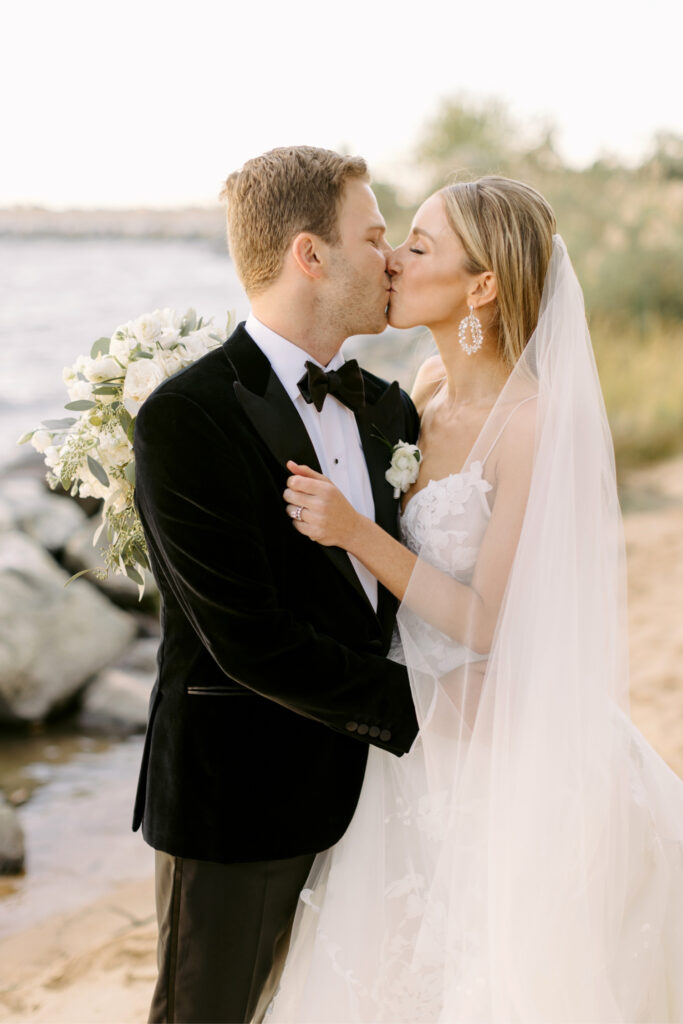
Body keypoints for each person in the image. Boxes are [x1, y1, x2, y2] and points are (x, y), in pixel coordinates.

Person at [271, 177, 683, 1022]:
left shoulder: (535, 421)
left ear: (481, 286)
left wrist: (355, 532)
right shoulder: (421, 389)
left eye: (419, 246)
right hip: (411, 715)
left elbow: (491, 617)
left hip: (496, 728)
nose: (391, 258)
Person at [131, 146, 421, 1024]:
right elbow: (248, 638)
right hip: (239, 804)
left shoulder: (392, 410)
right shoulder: (185, 417)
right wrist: (432, 712)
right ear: (310, 254)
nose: (392, 258)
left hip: (377, 801)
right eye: (373, 237)